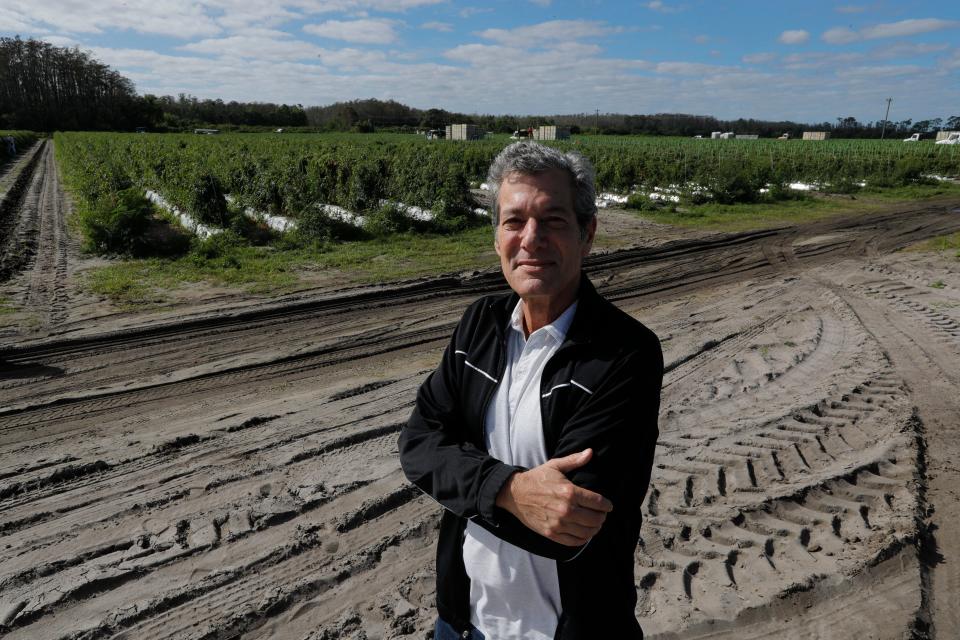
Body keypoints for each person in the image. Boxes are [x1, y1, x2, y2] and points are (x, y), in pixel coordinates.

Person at [399, 142, 663, 639]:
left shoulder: (624, 353)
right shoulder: (479, 325)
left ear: (587, 234)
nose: (531, 239)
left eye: (553, 220)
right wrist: (510, 490)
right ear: (497, 234)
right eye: (514, 221)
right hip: (464, 625)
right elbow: (417, 444)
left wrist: (467, 483)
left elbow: (570, 522)